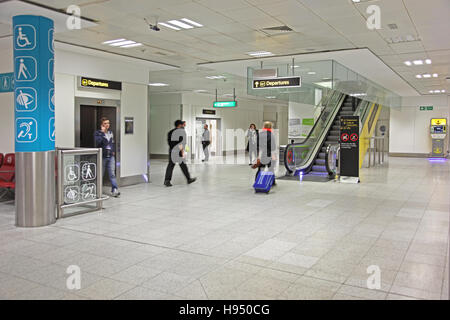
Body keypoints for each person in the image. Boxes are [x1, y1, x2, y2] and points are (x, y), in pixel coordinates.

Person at [164, 120, 196, 187]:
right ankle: (188, 179)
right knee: (183, 165)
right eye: (182, 124)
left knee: (170, 165)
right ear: (179, 125)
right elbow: (180, 143)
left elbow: (169, 142)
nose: (183, 126)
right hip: (178, 151)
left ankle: (167, 180)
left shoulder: (170, 132)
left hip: (172, 150)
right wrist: (182, 152)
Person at [95, 117, 120, 197]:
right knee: (100, 173)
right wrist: (102, 133)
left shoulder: (110, 133)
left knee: (112, 173)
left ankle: (115, 190)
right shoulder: (97, 133)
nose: (107, 125)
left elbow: (112, 143)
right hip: (102, 156)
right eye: (105, 123)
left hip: (111, 156)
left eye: (108, 123)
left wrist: (113, 151)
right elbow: (98, 143)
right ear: (101, 125)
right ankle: (98, 190)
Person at [254, 121, 277, 186]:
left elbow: (256, 145)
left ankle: (256, 182)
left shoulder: (259, 134)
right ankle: (272, 182)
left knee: (260, 169)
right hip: (269, 154)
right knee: (271, 169)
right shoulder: (270, 134)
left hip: (261, 155)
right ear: (270, 127)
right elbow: (273, 147)